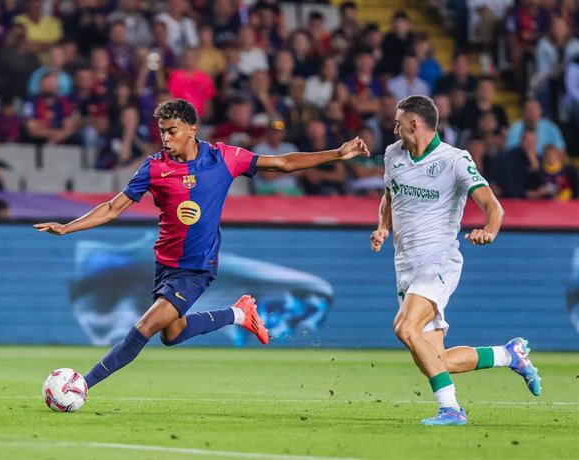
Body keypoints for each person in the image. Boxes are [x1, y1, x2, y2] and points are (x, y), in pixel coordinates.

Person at [34, 98, 369, 391]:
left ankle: (81, 385)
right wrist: (68, 228)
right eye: (162, 130)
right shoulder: (154, 168)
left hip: (196, 268)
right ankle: (239, 313)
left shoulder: (224, 158)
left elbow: (282, 163)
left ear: (192, 129)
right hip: (165, 266)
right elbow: (112, 208)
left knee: (144, 328)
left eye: (173, 130)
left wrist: (337, 154)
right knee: (172, 335)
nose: (165, 138)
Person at [369, 95, 541, 426]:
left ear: (414, 124)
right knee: (434, 359)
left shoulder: (455, 160)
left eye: (398, 123)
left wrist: (489, 230)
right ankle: (509, 355)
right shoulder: (393, 154)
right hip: (405, 265)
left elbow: (493, 206)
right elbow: (389, 195)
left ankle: (451, 409)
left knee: (405, 327)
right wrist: (383, 227)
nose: (393, 128)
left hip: (439, 260)